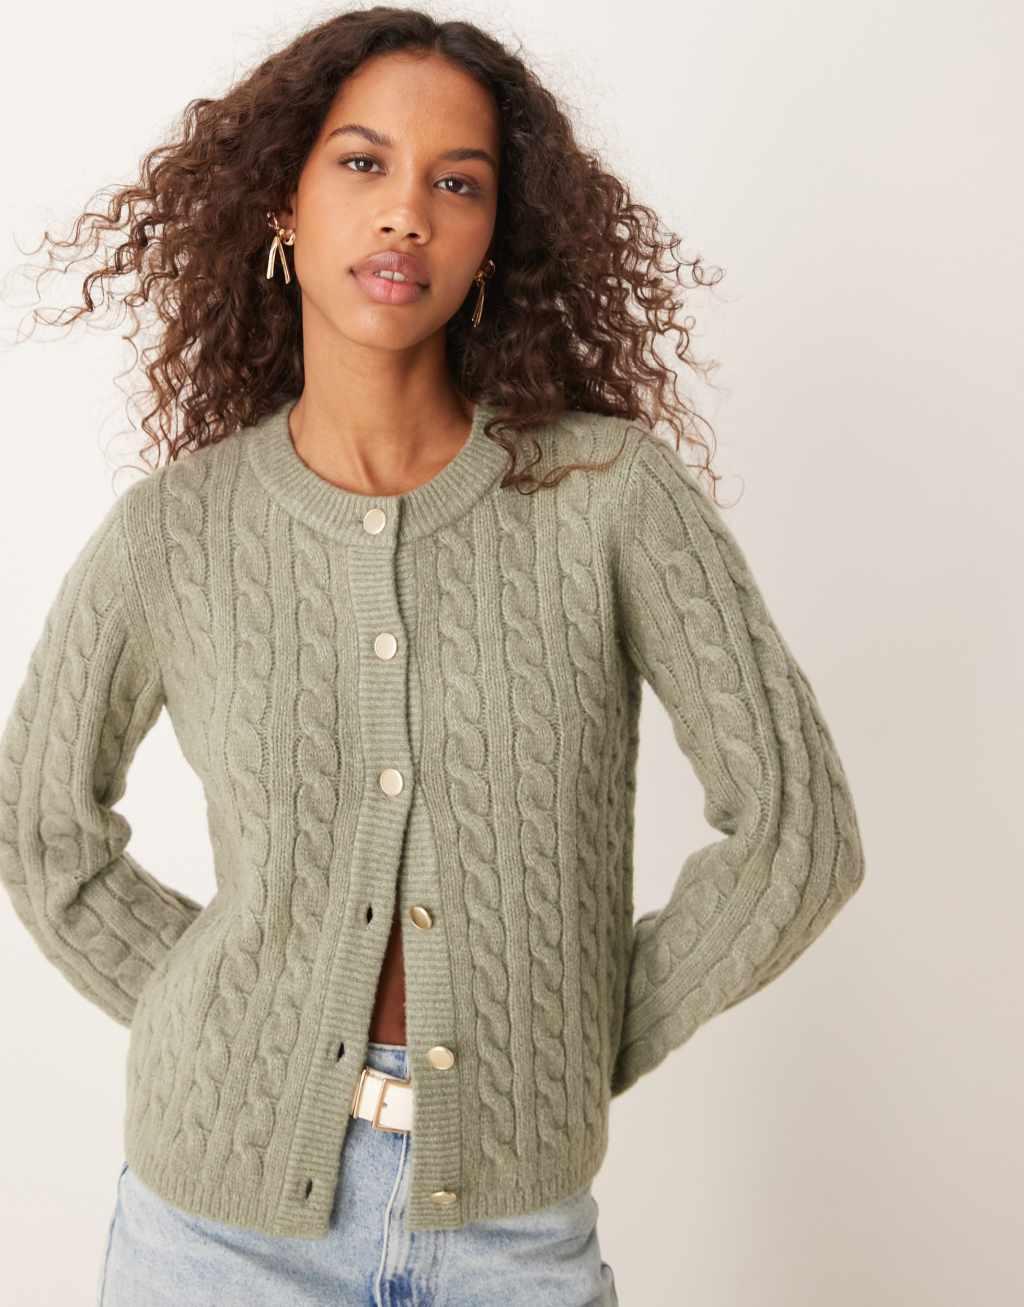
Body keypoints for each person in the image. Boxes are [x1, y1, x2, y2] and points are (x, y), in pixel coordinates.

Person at [0, 8, 867, 1305]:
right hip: (214, 1241)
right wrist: (218, 1023)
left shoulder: (608, 497)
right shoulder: (177, 533)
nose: (406, 212)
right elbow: (40, 828)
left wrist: (568, 1040)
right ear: (283, 202)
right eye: (363, 163)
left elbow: (799, 834)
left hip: (510, 1245)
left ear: (492, 241)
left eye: (457, 184)